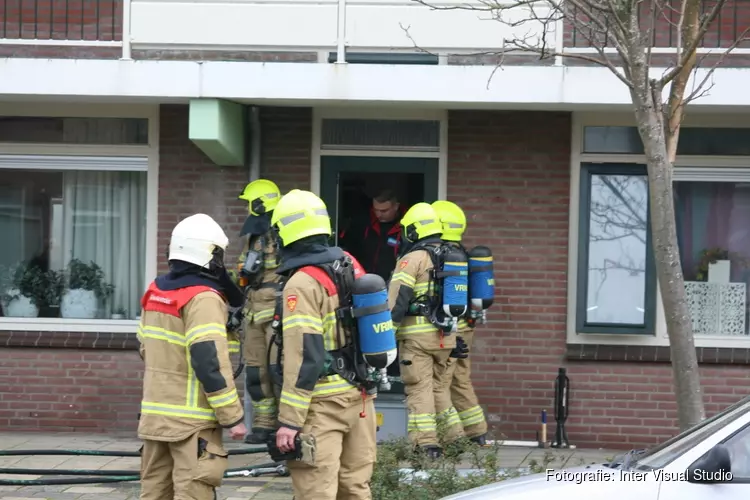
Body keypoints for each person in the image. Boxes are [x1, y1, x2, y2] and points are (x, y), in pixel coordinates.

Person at [270, 189, 377, 500]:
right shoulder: (349, 264)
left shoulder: (302, 282)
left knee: (316, 492)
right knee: (355, 490)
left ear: (284, 232)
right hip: (360, 399)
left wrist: (290, 421)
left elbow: (305, 355)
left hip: (322, 405)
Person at [137, 213, 247, 500]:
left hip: (155, 417)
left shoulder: (155, 291)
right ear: (210, 254)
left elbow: (143, 346)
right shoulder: (203, 297)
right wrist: (233, 417)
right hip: (193, 425)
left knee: (153, 494)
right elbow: (209, 362)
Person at [387, 202, 464, 458]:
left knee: (419, 389)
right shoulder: (452, 255)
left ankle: (426, 445)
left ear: (414, 230)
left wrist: (386, 334)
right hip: (447, 337)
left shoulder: (412, 259)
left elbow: (397, 301)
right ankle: (455, 439)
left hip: (417, 339)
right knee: (440, 389)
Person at [432, 200, 488, 445]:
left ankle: (452, 438)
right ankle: (477, 433)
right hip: (467, 324)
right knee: (460, 379)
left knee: (440, 381)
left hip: (450, 327)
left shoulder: (440, 256)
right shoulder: (463, 254)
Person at [234, 179, 284, 445]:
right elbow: (243, 270)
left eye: (249, 204)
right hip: (253, 311)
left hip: (275, 310)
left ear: (259, 203)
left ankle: (284, 424)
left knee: (279, 370)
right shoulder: (254, 235)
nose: (246, 210)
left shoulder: (284, 231)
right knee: (256, 372)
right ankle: (264, 424)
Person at [339, 189, 405, 281]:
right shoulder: (364, 223)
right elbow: (350, 250)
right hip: (364, 279)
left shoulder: (405, 227)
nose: (378, 215)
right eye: (376, 210)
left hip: (393, 281)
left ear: (396, 207)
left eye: (384, 211)